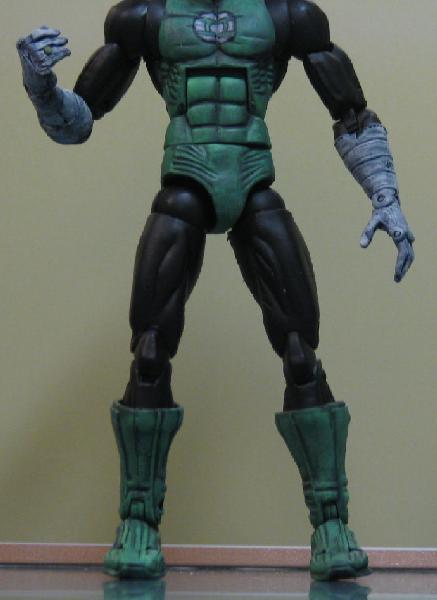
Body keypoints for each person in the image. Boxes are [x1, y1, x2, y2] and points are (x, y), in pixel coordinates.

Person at [17, 0, 414, 581]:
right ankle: (138, 522)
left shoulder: (287, 15)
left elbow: (350, 111)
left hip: (253, 180)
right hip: (184, 179)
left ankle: (332, 525)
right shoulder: (145, 17)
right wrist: (40, 85)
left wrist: (385, 193)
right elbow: (81, 119)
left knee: (300, 351)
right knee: (150, 350)